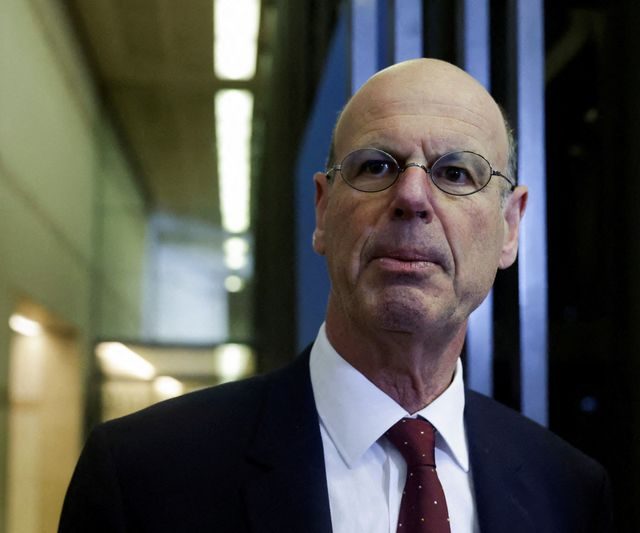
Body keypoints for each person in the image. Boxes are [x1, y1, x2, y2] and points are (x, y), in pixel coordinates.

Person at [59, 59, 613, 532]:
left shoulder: (569, 494)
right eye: (376, 166)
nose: (413, 197)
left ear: (510, 227)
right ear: (323, 211)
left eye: (456, 173)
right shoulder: (143, 475)